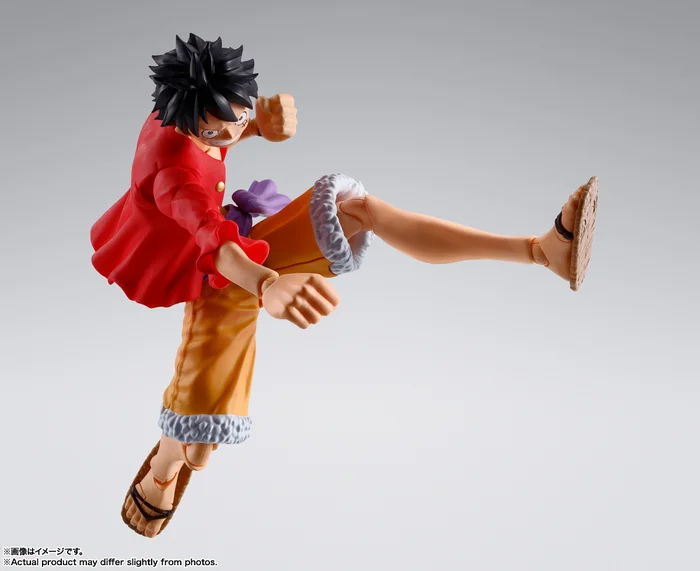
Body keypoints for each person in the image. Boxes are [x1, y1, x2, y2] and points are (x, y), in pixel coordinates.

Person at [90, 34, 595, 538]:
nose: (229, 133)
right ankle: (163, 470)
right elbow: (211, 240)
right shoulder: (173, 173)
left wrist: (258, 126)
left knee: (355, 210)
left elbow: (220, 139)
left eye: (236, 118)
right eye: (216, 129)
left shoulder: (188, 110)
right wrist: (267, 286)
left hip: (238, 247)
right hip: (204, 271)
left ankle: (539, 251)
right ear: (188, 121)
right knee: (199, 443)